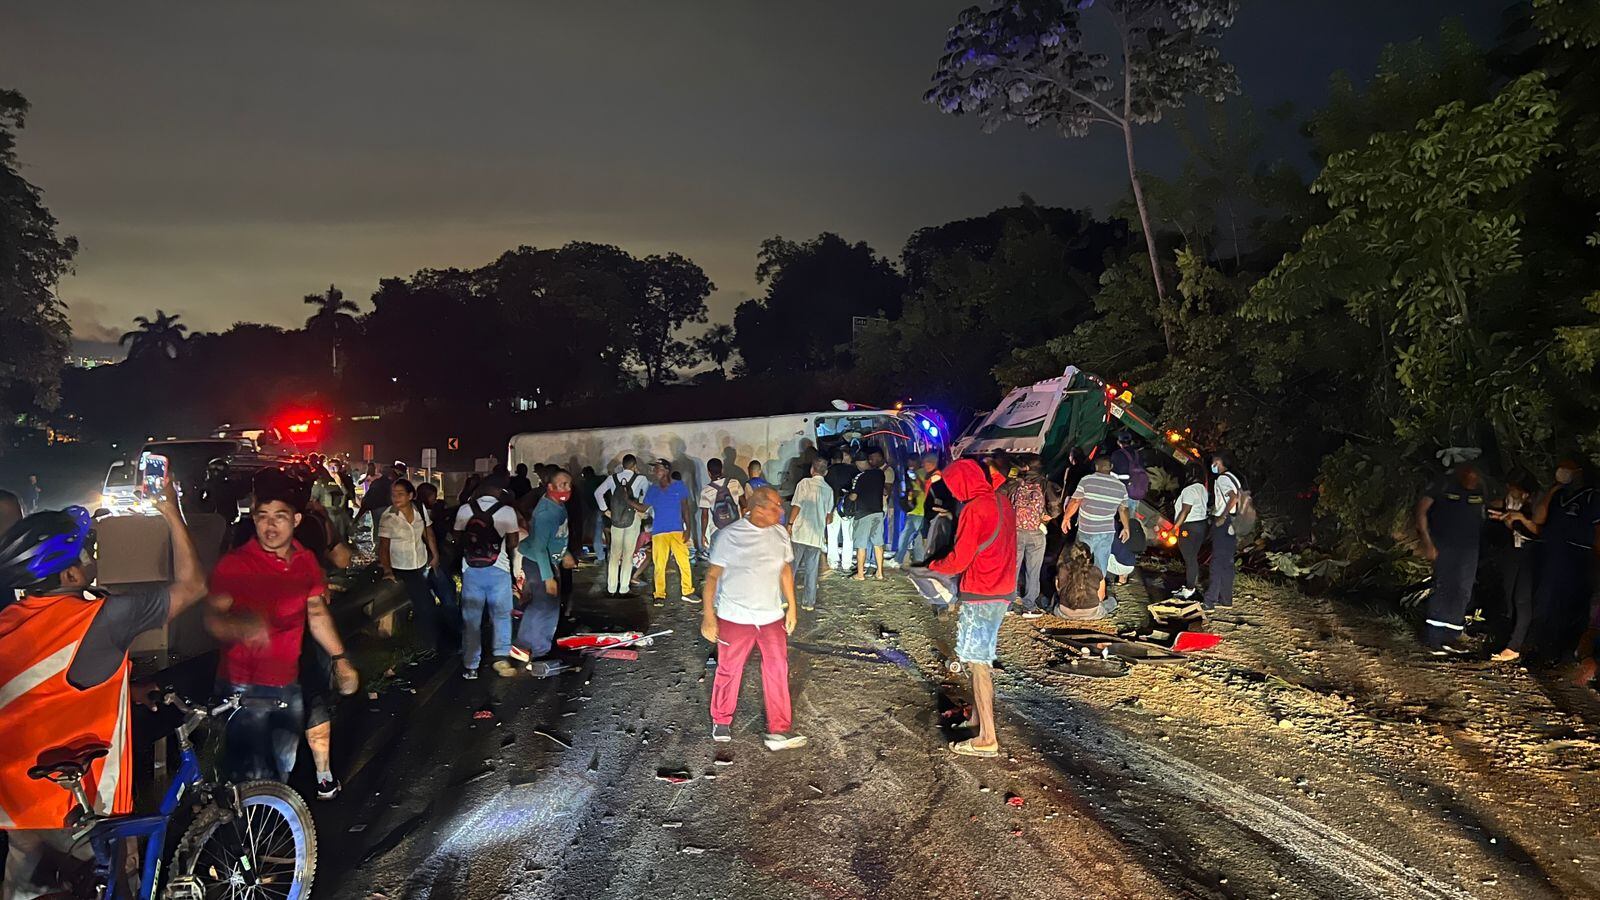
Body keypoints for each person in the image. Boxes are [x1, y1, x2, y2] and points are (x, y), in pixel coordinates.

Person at [0, 483, 207, 899]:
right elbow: (193, 585)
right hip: (76, 803)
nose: (91, 554)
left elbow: (46, 689)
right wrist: (170, 509)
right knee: (122, 877)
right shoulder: (108, 616)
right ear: (69, 575)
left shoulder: (9, 620)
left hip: (15, 800)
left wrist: (126, 690)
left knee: (21, 889)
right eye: (83, 550)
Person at [207, 469, 359, 786]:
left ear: (297, 520)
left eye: (280, 516)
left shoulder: (305, 562)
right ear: (253, 518)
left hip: (286, 685)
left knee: (281, 771)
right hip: (243, 688)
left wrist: (340, 658)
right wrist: (238, 626)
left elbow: (316, 612)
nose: (271, 525)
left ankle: (278, 830)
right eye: (263, 516)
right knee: (251, 778)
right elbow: (212, 617)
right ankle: (242, 832)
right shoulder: (235, 564)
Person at [700, 486, 806, 751]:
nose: (781, 511)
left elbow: (785, 571)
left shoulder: (780, 533)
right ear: (758, 508)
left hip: (771, 617)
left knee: (777, 670)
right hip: (735, 617)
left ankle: (779, 730)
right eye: (776, 506)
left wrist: (792, 607)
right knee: (728, 669)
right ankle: (721, 719)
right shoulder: (729, 536)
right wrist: (708, 616)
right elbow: (712, 577)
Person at [928, 459, 1018, 758]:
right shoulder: (1003, 501)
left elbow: (959, 559)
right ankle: (978, 719)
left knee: (978, 665)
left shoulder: (974, 508)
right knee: (978, 660)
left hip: (981, 591)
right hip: (1003, 588)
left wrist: (932, 566)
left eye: (953, 485)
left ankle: (987, 738)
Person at [1531, 459, 1600, 663]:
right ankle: (1545, 651)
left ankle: (1567, 655)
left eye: (1568, 467)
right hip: (1553, 554)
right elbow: (1538, 519)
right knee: (1547, 604)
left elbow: (1598, 532)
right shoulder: (1558, 495)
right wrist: (1553, 489)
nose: (1562, 471)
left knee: (1574, 606)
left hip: (1579, 557)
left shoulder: (1592, 498)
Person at [453, 478, 523, 679]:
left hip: (470, 569)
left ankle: (471, 665)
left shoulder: (465, 509)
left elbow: (457, 538)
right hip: (498, 568)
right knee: (501, 615)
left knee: (471, 619)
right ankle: (501, 657)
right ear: (498, 492)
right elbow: (513, 541)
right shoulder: (507, 511)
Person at [1415, 463, 1487, 655]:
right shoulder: (1443, 485)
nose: (1473, 480)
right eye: (1470, 476)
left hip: (1470, 548)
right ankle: (1434, 638)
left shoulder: (1481, 488)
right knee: (1444, 587)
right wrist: (1427, 543)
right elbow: (1422, 511)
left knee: (1463, 589)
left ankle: (1452, 636)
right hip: (1444, 546)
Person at [511, 469, 577, 664]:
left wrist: (565, 553)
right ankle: (536, 649)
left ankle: (527, 645)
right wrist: (548, 577)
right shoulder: (546, 512)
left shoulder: (558, 505)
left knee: (545, 604)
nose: (567, 488)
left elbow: (556, 536)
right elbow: (540, 548)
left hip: (547, 561)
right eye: (562, 484)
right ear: (550, 487)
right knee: (546, 604)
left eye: (569, 484)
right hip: (537, 562)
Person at [378, 479, 443, 653]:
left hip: (420, 562)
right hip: (401, 566)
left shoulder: (420, 510)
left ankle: (423, 640)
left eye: (400, 494)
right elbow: (383, 546)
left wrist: (434, 554)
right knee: (425, 603)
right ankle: (428, 642)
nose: (396, 498)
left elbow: (428, 533)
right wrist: (387, 570)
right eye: (394, 494)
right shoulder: (389, 516)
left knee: (420, 602)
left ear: (410, 495)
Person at [1488, 469, 1540, 663]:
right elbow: (1504, 512)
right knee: (1509, 595)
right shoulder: (1509, 499)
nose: (1510, 489)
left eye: (1514, 487)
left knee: (1522, 599)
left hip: (1530, 550)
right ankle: (1510, 637)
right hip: (1512, 550)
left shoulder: (1536, 503)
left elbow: (1537, 530)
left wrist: (1517, 521)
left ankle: (1515, 645)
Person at [1063, 456, 1131, 603]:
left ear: (1095, 466)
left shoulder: (1087, 481)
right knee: (1100, 568)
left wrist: (1066, 518)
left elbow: (1075, 501)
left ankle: (1078, 598)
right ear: (1111, 466)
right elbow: (1124, 509)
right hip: (1106, 532)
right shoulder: (1120, 486)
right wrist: (1126, 528)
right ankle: (1098, 602)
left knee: (1079, 564)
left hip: (1086, 530)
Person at [1006, 457, 1062, 617]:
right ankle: (1029, 606)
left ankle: (1007, 604)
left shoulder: (1015, 483)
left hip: (1015, 531)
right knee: (1033, 570)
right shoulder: (1045, 484)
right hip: (1035, 532)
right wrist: (1046, 516)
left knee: (1012, 569)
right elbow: (1055, 508)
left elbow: (1004, 499)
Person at [595, 455, 649, 598]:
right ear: (634, 466)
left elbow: (598, 493)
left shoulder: (612, 479)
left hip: (616, 519)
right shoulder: (641, 479)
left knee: (614, 555)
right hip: (633, 519)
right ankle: (623, 588)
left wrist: (606, 510)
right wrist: (641, 511)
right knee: (628, 555)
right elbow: (647, 497)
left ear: (622, 465)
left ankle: (611, 588)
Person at [415, 482, 461, 651]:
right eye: (432, 496)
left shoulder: (420, 512)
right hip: (431, 562)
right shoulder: (427, 514)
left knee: (435, 599)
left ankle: (441, 638)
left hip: (422, 562)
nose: (435, 499)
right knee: (447, 597)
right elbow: (433, 535)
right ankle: (454, 636)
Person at [787, 458, 834, 611]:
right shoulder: (828, 490)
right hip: (815, 535)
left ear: (812, 470)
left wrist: (790, 524)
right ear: (826, 472)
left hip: (800, 532)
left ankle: (784, 599)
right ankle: (808, 603)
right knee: (812, 571)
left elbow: (796, 506)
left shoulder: (804, 483)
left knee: (791, 568)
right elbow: (829, 518)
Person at [645, 460, 695, 602]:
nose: (655, 471)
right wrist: (627, 500)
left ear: (666, 470)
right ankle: (659, 594)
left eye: (658, 468)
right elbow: (643, 508)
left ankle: (687, 591)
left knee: (684, 562)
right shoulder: (653, 490)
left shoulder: (679, 486)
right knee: (659, 565)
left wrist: (688, 528)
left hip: (677, 530)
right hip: (659, 532)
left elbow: (685, 508)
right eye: (655, 469)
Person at [1204, 451, 1245, 612]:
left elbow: (1233, 497)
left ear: (1219, 462)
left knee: (1217, 561)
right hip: (1234, 522)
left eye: (1214, 461)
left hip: (1225, 521)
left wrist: (1222, 515)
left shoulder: (1222, 479)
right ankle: (1226, 599)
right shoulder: (1233, 477)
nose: (1212, 465)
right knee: (1227, 562)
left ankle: (1210, 600)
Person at [846, 451, 889, 581]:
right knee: (878, 544)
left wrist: (847, 497)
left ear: (860, 463)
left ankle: (860, 574)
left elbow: (854, 496)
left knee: (861, 545)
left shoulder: (859, 476)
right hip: (877, 511)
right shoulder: (880, 474)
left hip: (863, 513)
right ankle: (880, 573)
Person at [1172, 467, 1210, 600]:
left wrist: (1175, 527)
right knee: (1192, 557)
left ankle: (1189, 589)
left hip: (1189, 527)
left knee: (1190, 559)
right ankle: (1190, 585)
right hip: (1201, 525)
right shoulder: (1202, 489)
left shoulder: (1189, 490)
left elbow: (1185, 510)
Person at [699, 458, 746, 554]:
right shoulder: (734, 483)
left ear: (709, 473)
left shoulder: (706, 491)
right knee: (737, 557)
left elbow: (704, 516)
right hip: (736, 528)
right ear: (722, 470)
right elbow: (744, 505)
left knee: (717, 560)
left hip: (717, 530)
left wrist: (703, 534)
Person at [824, 449, 857, 573]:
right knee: (848, 536)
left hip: (831, 507)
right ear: (842, 459)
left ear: (832, 460)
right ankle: (846, 564)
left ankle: (833, 562)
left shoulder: (827, 472)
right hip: (847, 507)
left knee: (832, 534)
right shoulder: (851, 470)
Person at [895, 465, 928, 568]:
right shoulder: (925, 473)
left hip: (917, 511)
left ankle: (898, 559)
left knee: (905, 536)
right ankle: (920, 561)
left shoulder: (920, 474)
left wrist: (910, 495)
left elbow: (921, 491)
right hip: (921, 511)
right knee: (919, 537)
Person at [1110, 431, 1149, 512]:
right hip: (1134, 493)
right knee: (1128, 520)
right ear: (1131, 442)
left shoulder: (1117, 454)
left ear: (1118, 442)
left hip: (1120, 493)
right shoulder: (1139, 455)